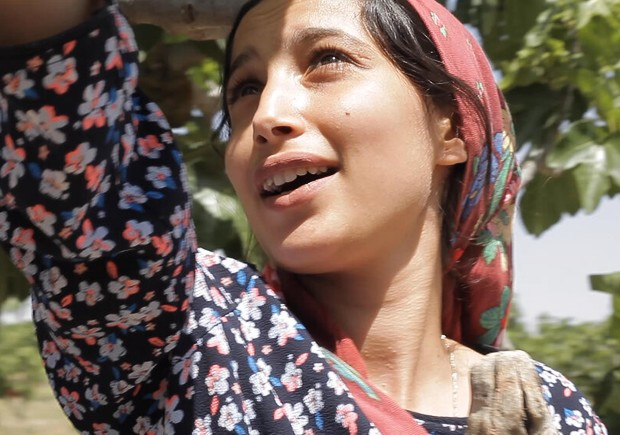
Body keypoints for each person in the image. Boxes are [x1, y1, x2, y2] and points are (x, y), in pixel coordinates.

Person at [0, 0, 608, 433]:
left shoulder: (554, 410)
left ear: (452, 127)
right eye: (244, 89)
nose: (267, 114)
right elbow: (73, 156)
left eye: (328, 60)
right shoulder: (191, 335)